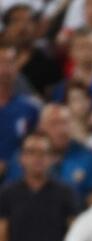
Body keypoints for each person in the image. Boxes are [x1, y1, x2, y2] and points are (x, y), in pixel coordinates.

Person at [0, 133, 78, 241]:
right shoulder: (7, 194)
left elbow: (75, 238)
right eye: (31, 152)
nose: (37, 158)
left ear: (52, 158)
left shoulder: (66, 193)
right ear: (21, 158)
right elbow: (2, 238)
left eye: (43, 153)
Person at [0, 46, 40, 181]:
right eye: (1, 63)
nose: (5, 70)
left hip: (18, 179)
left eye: (10, 63)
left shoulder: (30, 108)